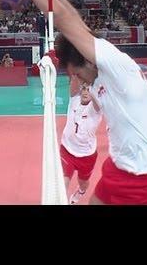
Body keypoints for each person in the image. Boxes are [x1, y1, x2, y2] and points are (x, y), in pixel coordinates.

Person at [0, 0, 147, 205]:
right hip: (117, 167)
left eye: (75, 72)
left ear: (87, 61)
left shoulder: (116, 64)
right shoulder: (97, 81)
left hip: (143, 181)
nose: (75, 79)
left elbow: (67, 18)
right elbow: (72, 28)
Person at [61, 75, 102, 204]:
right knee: (63, 183)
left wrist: (93, 87)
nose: (85, 92)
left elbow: (97, 102)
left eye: (89, 90)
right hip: (67, 149)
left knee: (83, 182)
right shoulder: (74, 100)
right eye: (84, 89)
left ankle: (81, 191)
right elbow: (74, 81)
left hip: (86, 155)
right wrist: (76, 70)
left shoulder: (95, 110)